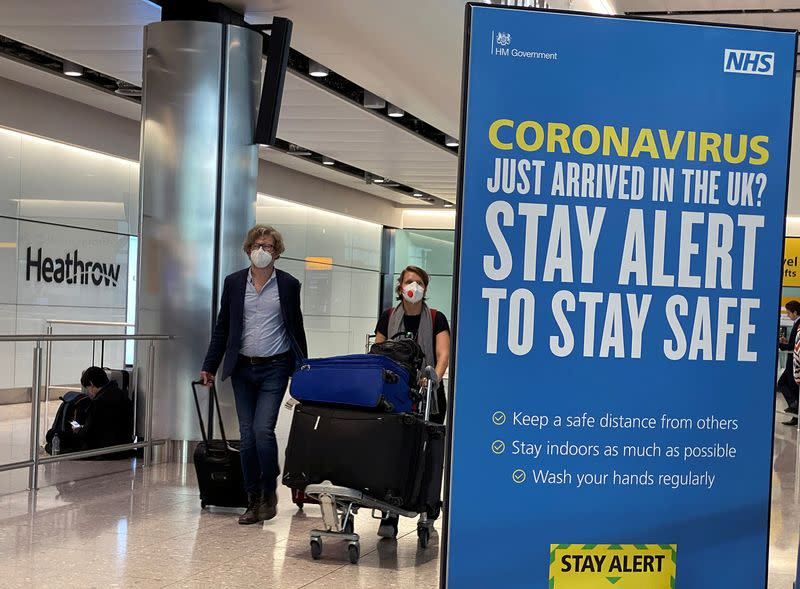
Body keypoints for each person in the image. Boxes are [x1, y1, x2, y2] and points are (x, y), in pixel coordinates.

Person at [201, 224, 308, 525]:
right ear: (248, 249)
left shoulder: (288, 285)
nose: (262, 251)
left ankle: (267, 489)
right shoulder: (234, 283)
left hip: (275, 366)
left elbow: (295, 328)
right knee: (247, 436)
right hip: (243, 367)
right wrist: (210, 365)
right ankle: (253, 500)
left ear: (277, 252)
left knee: (262, 430)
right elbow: (223, 326)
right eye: (257, 245)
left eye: (269, 246)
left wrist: (304, 369)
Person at [374, 265, 450, 538]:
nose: (413, 286)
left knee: (428, 453)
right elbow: (378, 352)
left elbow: (443, 355)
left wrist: (433, 378)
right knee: (393, 453)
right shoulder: (388, 317)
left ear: (425, 288)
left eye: (419, 282)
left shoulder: (436, 318)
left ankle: (428, 511)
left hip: (429, 395)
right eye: (409, 281)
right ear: (400, 287)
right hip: (396, 395)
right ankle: (389, 513)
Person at [74, 366, 134, 451]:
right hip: (124, 446)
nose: (88, 392)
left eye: (87, 388)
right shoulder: (123, 395)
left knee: (54, 435)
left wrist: (78, 430)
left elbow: (87, 433)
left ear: (91, 384)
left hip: (103, 448)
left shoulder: (98, 402)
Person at [778, 300, 800, 426]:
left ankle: (794, 406)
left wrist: (781, 345)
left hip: (794, 364)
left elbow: (795, 346)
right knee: (783, 383)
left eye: (789, 312)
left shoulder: (799, 325)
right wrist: (786, 343)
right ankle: (794, 409)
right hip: (790, 363)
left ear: (795, 312)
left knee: (785, 384)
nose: (787, 315)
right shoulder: (796, 324)